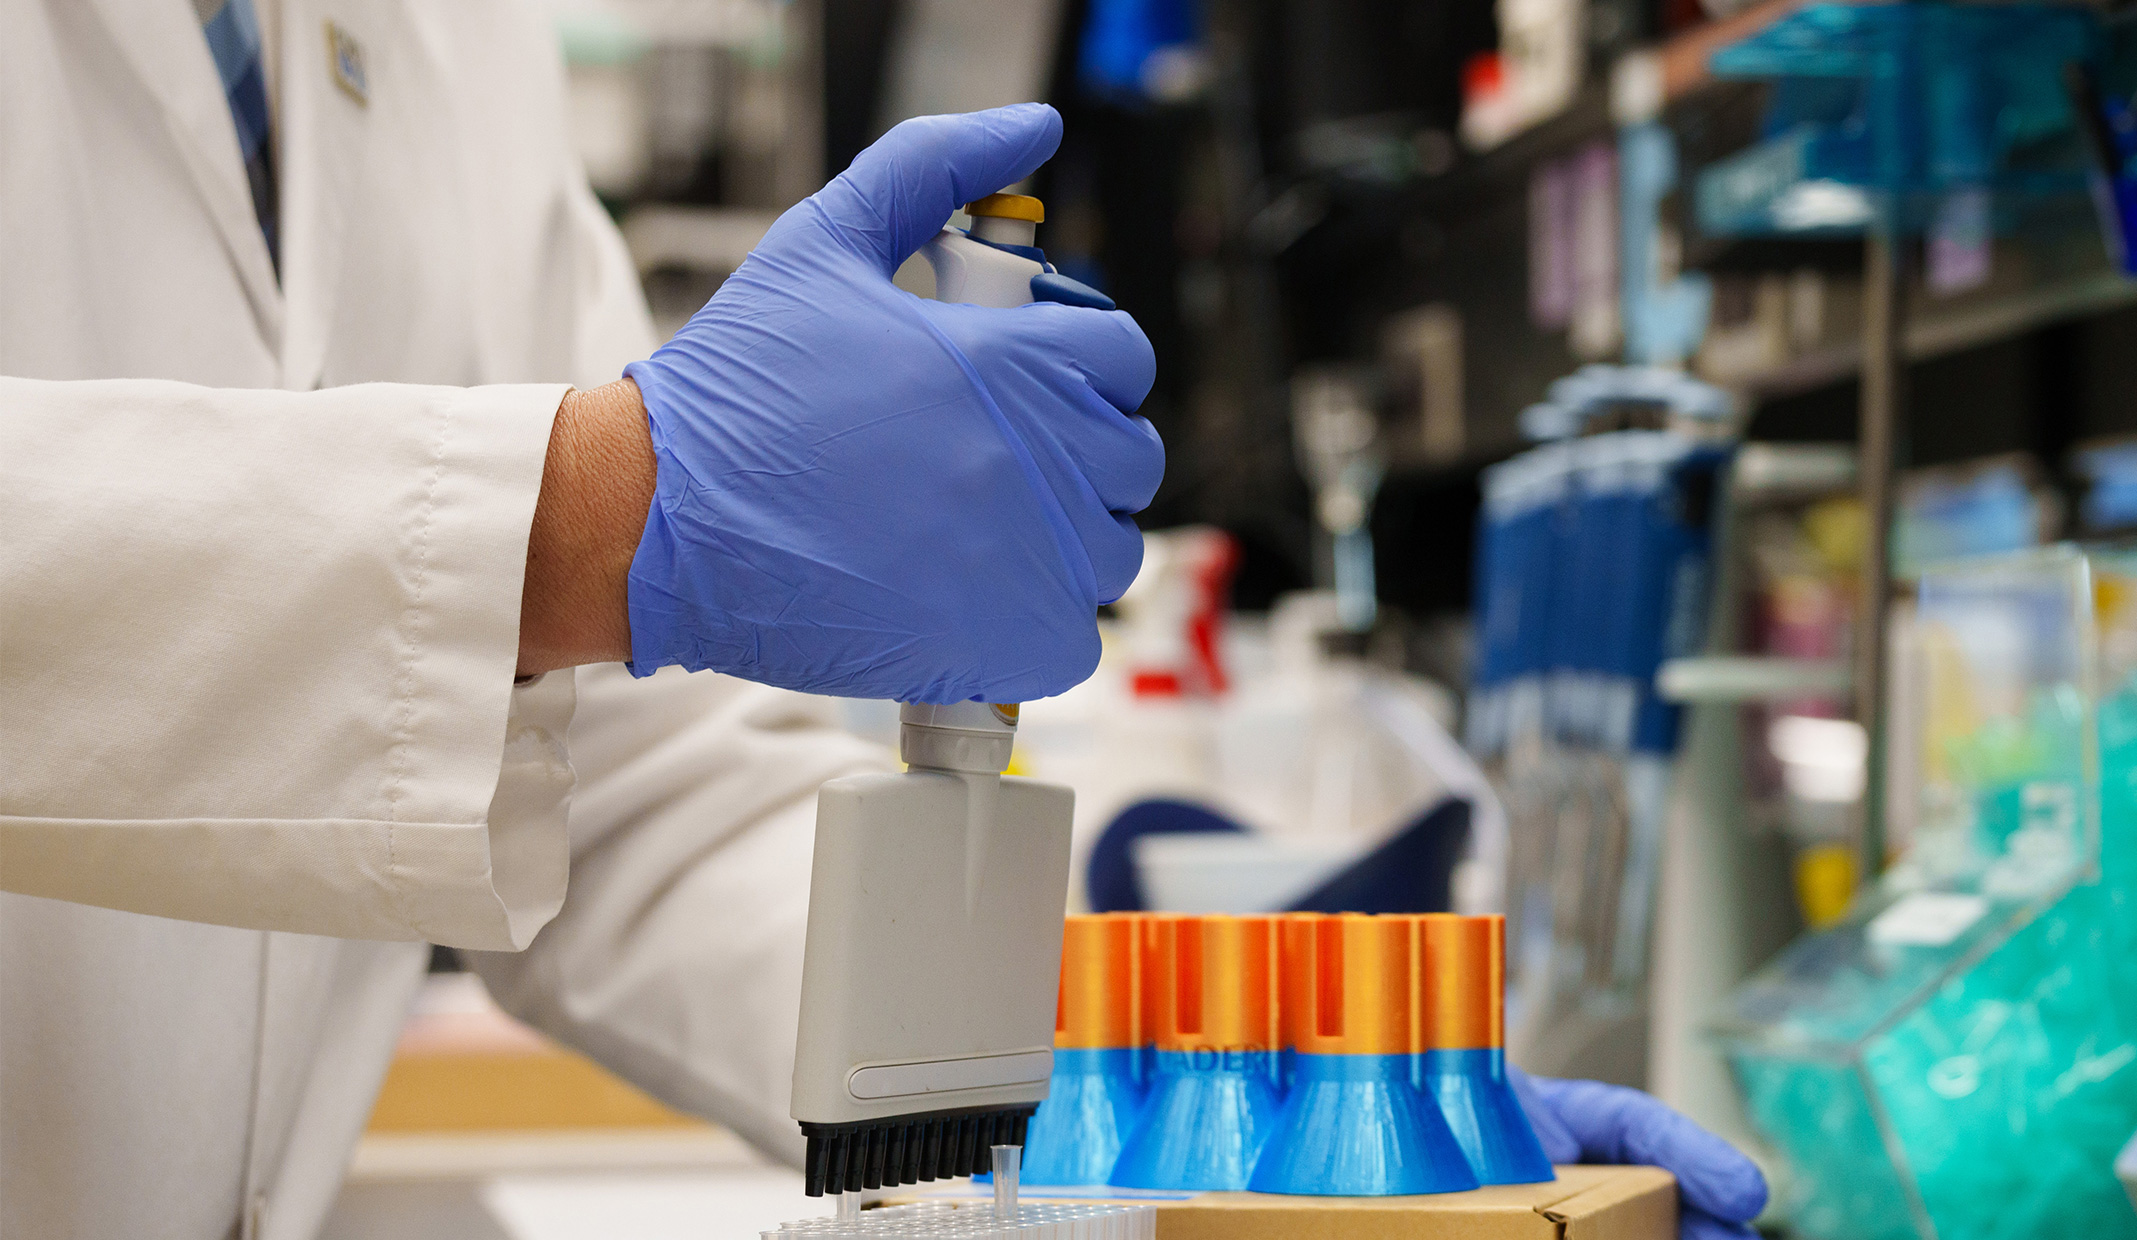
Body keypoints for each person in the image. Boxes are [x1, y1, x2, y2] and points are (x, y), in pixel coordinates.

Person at [0, 3, 1768, 1239]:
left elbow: (602, 768)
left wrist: (1177, 1102)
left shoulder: (451, 31)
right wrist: (584, 518)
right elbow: (523, 583)